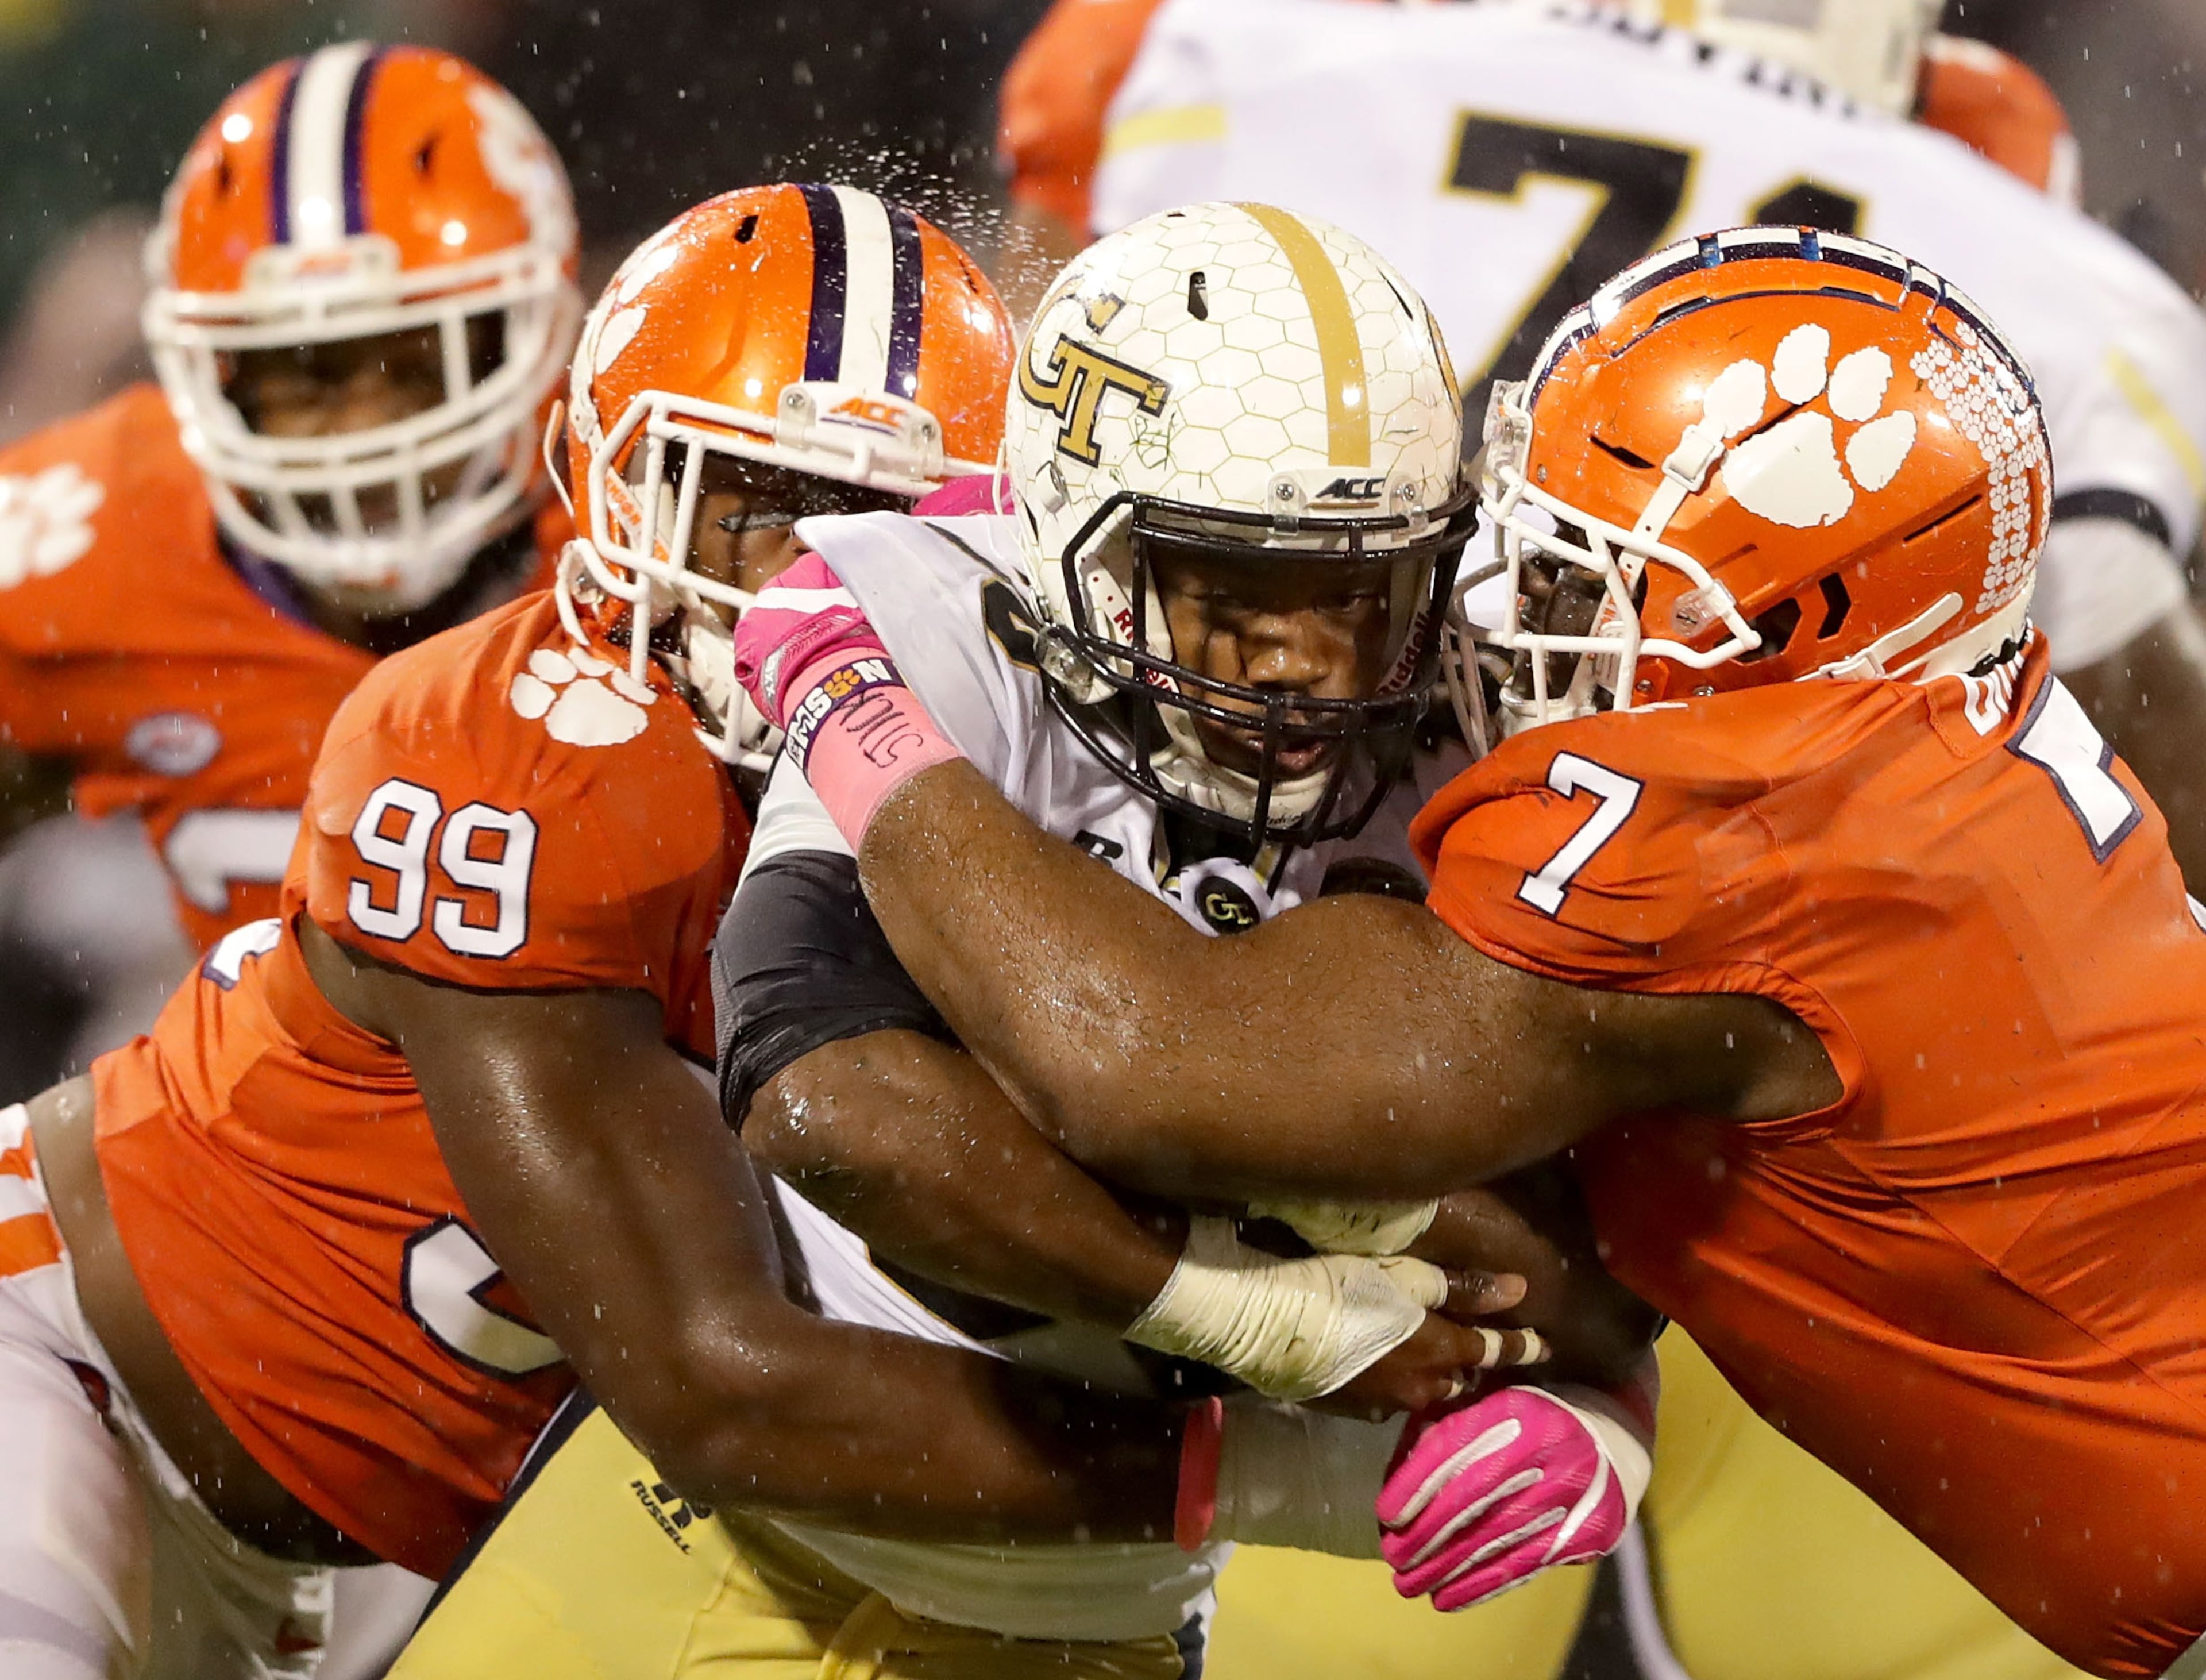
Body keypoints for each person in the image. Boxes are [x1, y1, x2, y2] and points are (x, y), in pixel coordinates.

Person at [734, 225, 2206, 1679]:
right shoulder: (1934, 714)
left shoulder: (1747, 832)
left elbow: (1139, 1065)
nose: (1517, 611)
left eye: (1598, 572)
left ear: (1793, 618)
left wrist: (854, 709)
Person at [0, 183, 1278, 1680]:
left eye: (872, 524)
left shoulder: (1000, 783)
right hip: (78, 1371)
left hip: (350, 1551)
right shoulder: (528, 755)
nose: (814, 583)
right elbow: (721, 1384)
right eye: (756, 512)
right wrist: (1283, 1465)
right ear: (622, 486)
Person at [389, 197, 1653, 1680]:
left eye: (1356, 592)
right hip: (700, 1554)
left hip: (1100, 1625)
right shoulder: (928, 629)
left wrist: (1612, 1400)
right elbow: (836, 1107)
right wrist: (1243, 1283)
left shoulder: (1476, 725)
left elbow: (1598, 1247)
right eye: (1238, 591)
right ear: (1079, 551)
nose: (1305, 663)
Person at [1000, 0, 2206, 899]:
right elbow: (2142, 758)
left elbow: (1033, 407)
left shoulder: (1251, 56)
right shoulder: (2065, 281)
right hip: (1704, 863)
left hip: (1235, 731)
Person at [0, 43, 581, 953]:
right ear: (216, 375)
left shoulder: (638, 528)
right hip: (240, 1085)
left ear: (535, 336)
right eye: (302, 376)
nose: (363, 432)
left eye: (418, 363)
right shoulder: (96, 532)